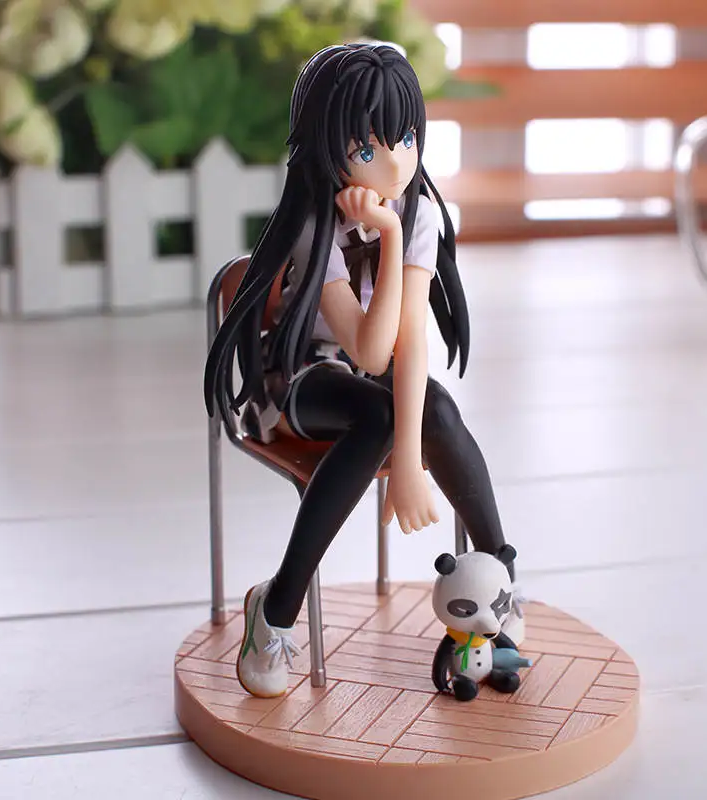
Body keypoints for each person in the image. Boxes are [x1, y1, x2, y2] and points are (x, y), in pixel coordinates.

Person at [204, 43, 522, 698]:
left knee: (432, 407)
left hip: (363, 377)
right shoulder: (316, 225)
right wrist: (390, 237)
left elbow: (409, 345)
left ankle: (498, 586)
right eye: (367, 148)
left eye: (405, 139)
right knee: (378, 415)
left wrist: (410, 460)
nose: (397, 163)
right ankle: (276, 608)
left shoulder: (419, 211)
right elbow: (371, 351)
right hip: (295, 377)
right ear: (328, 148)